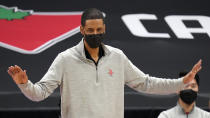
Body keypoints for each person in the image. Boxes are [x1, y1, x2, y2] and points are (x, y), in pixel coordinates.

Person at [7, 8, 202, 118]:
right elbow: (39, 94)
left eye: (98, 29)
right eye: (90, 30)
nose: (95, 34)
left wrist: (182, 82)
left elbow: (147, 83)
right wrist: (24, 84)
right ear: (82, 30)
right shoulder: (65, 59)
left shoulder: (117, 57)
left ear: (104, 28)